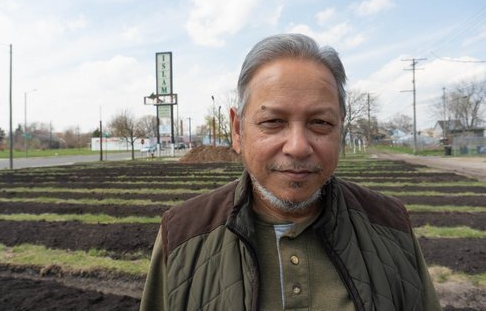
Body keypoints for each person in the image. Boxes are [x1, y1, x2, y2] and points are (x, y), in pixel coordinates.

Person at [140, 33, 442, 310]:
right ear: (237, 130)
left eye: (320, 123)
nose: (298, 147)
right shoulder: (182, 235)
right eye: (273, 122)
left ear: (340, 129)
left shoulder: (391, 228)